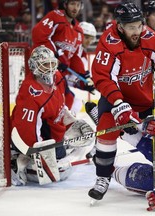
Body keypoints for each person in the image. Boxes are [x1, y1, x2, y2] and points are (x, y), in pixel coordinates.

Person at [89, 2, 155, 203]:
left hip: (150, 98)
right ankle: (103, 177)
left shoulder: (148, 37)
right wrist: (118, 103)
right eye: (131, 27)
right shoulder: (109, 42)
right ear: (120, 26)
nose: (137, 31)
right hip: (119, 99)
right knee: (106, 131)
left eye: (139, 25)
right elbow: (103, 77)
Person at [10, 45, 94, 186]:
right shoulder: (31, 93)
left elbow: (59, 105)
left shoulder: (57, 77)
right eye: (45, 65)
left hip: (49, 129)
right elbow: (26, 129)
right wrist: (37, 152)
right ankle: (19, 159)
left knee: (71, 144)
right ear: (34, 66)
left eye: (52, 64)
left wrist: (71, 122)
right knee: (57, 161)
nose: (50, 69)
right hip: (28, 136)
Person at [31, 0, 92, 114]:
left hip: (59, 76)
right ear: (65, 5)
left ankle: (60, 130)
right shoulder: (55, 17)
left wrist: (83, 77)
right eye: (72, 4)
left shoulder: (78, 30)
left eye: (78, 5)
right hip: (44, 71)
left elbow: (73, 57)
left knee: (73, 102)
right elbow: (38, 34)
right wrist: (56, 55)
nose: (75, 7)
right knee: (56, 104)